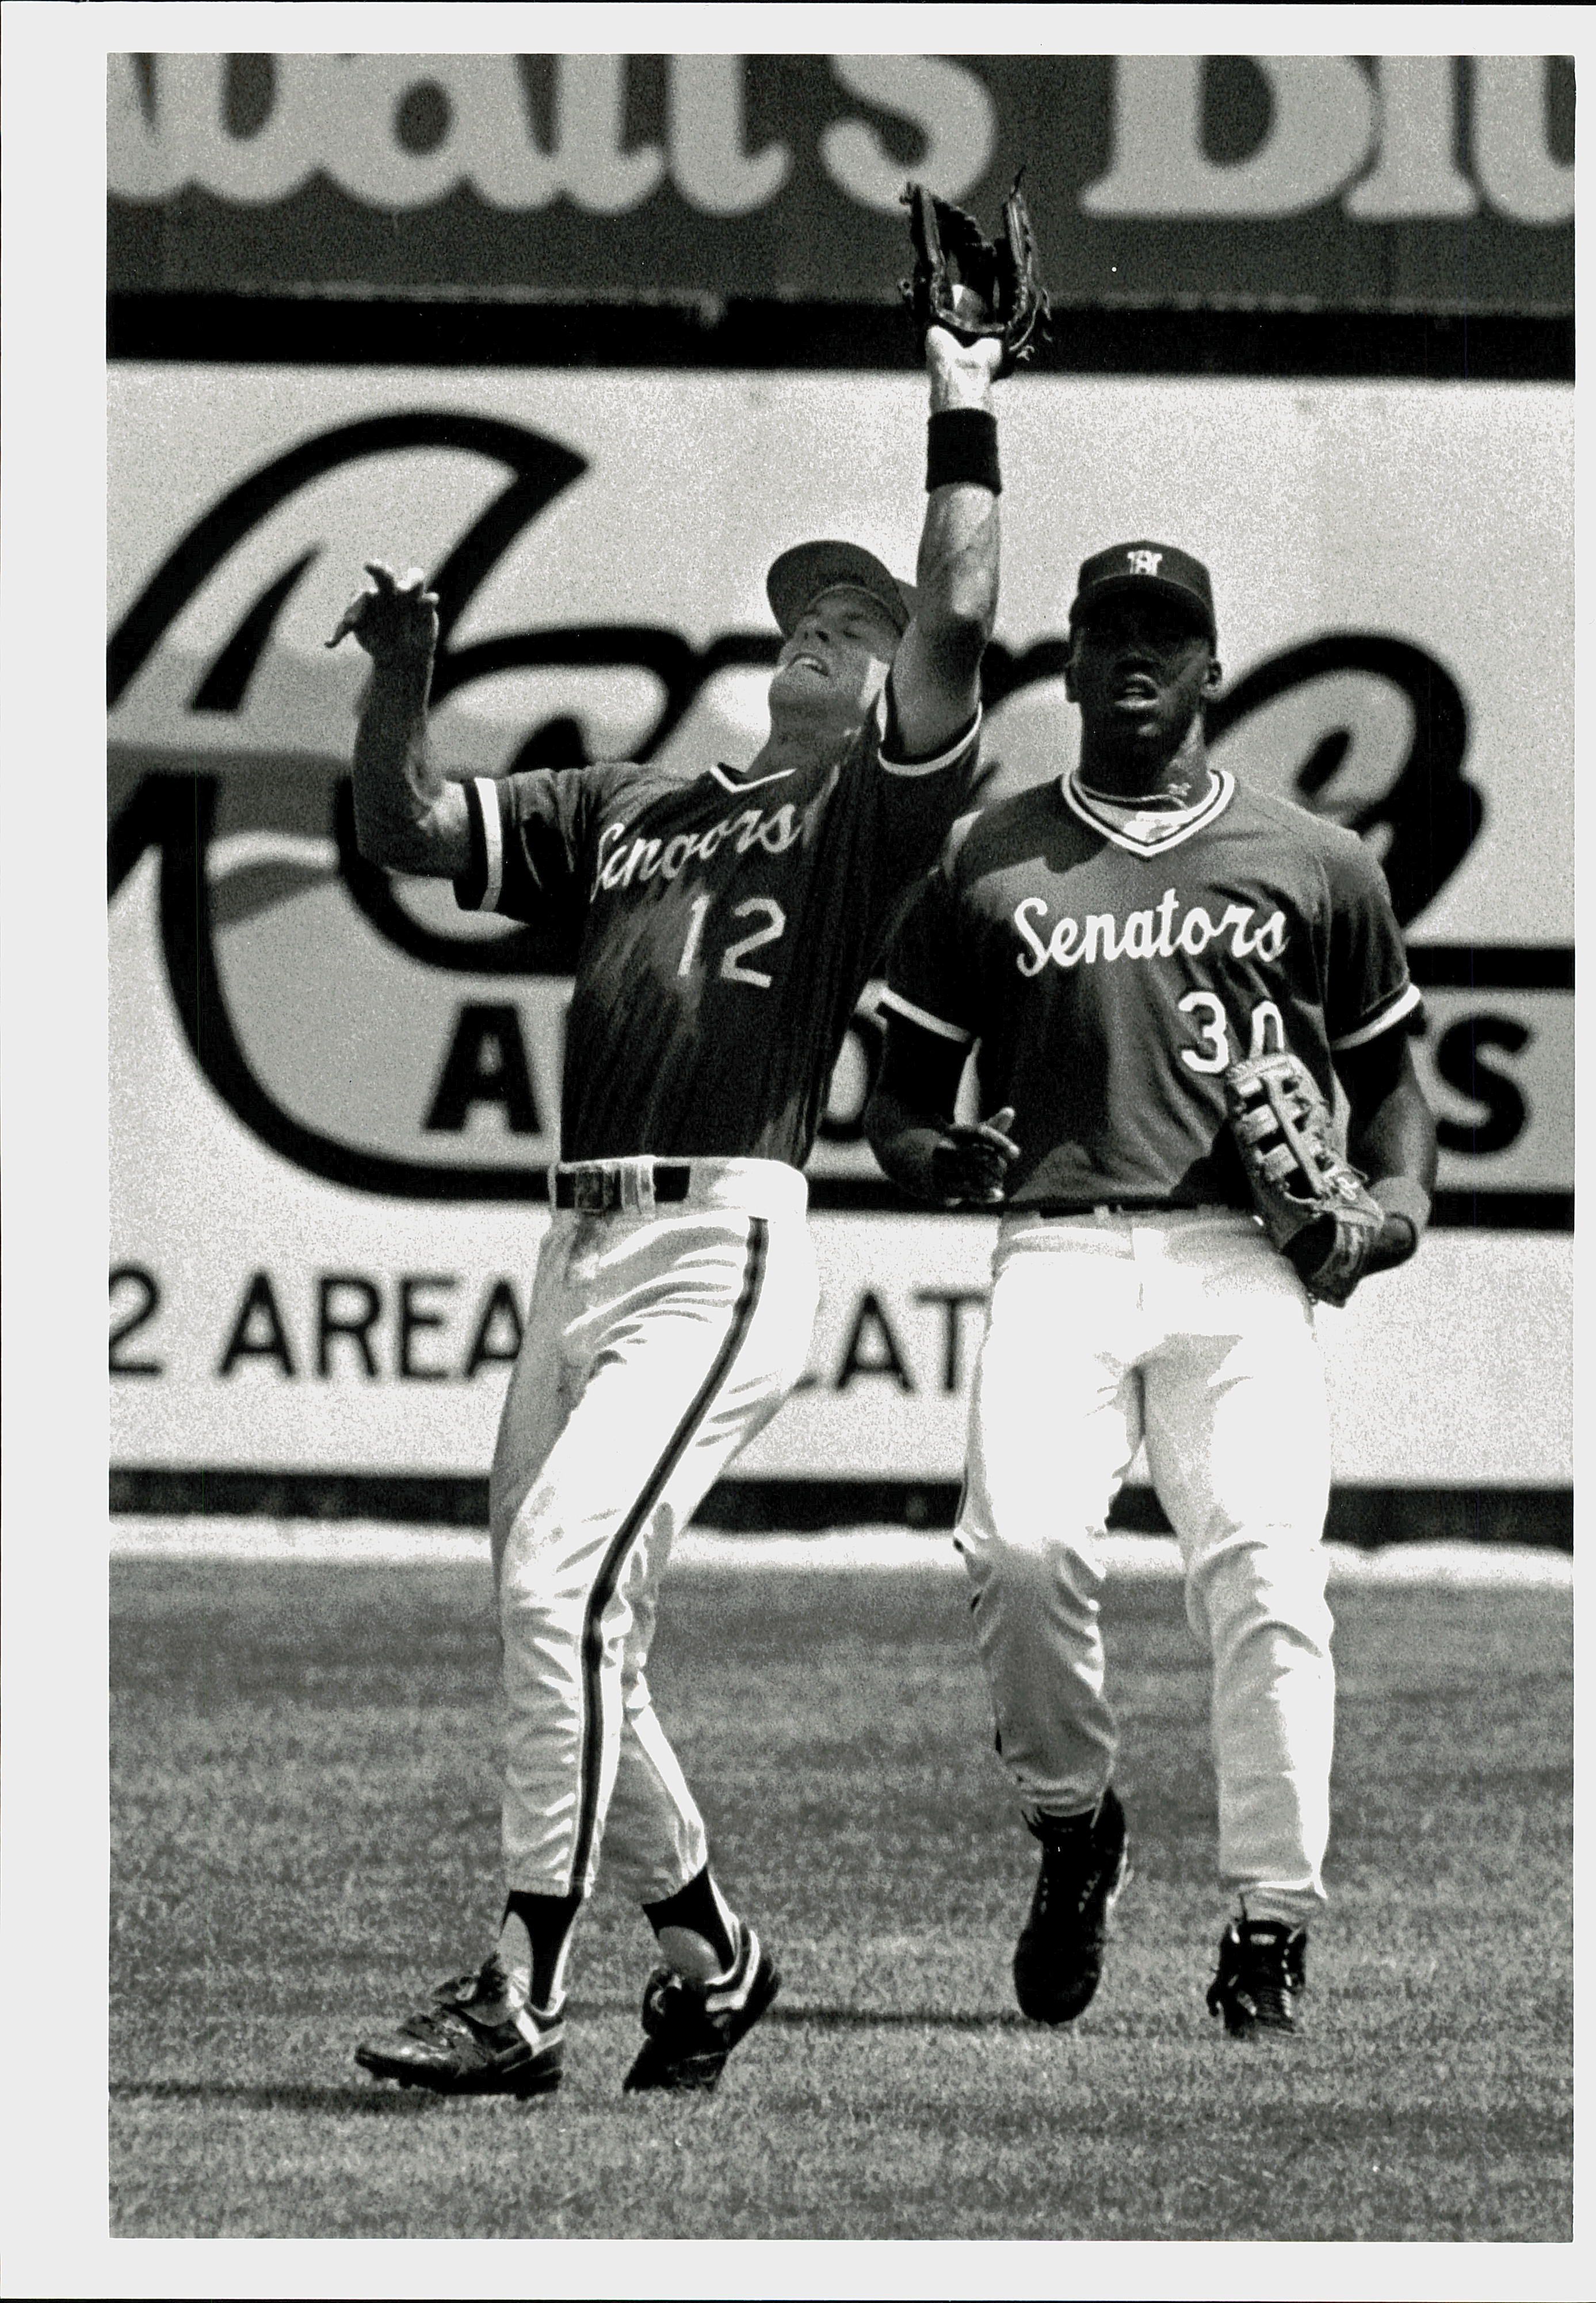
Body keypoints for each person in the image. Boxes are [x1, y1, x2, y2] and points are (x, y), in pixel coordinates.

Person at [335, 321, 1006, 2099]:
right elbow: (407, 824)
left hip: (723, 1233)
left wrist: (964, 391)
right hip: (580, 1246)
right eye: (809, 604)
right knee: (555, 1612)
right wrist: (405, 667)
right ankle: (713, 1955)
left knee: (564, 1581)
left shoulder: (869, 810)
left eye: (858, 623)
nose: (828, 624)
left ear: (888, 684)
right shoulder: (636, 800)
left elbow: (961, 603)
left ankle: (517, 1989)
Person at [865, 539, 1437, 2038]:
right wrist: (936, 1154)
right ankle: (1076, 1821)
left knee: (1264, 1572)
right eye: (1108, 631)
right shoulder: (986, 854)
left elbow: (1388, 1082)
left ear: (1209, 669)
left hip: (1242, 1257)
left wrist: (1400, 1205)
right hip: (1055, 1240)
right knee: (1021, 1544)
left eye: (1164, 634)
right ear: (1063, 665)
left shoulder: (1316, 859)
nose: (1135, 656)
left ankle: (1268, 1921)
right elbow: (899, 1091)